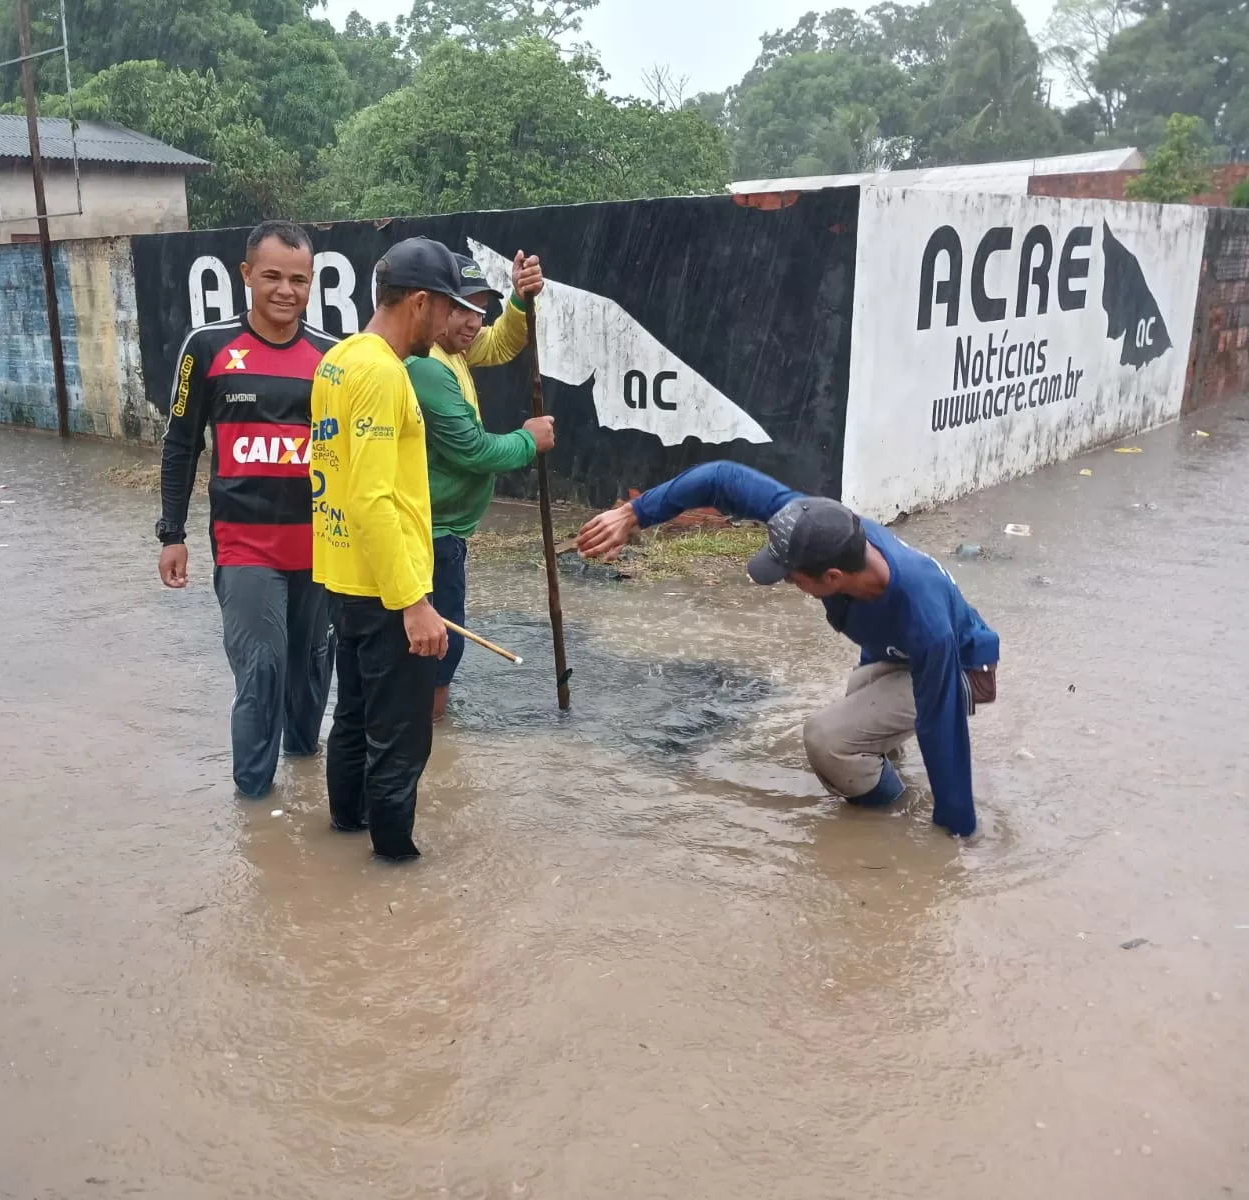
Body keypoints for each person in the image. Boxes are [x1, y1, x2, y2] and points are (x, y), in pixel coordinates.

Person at [576, 462, 1000, 837]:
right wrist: (634, 513)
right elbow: (722, 478)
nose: (785, 581)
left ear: (832, 578)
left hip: (960, 670)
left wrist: (951, 838)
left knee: (828, 739)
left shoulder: (924, 618)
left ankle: (891, 813)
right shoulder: (819, 527)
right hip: (896, 655)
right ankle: (886, 772)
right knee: (859, 702)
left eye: (792, 576)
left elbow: (942, 728)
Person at [155, 220, 341, 799]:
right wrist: (172, 533)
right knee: (261, 671)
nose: (286, 290)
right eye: (272, 277)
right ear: (246, 275)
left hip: (321, 549)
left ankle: (304, 778)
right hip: (245, 547)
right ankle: (255, 807)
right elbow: (180, 444)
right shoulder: (207, 349)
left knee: (312, 670)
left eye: (299, 280)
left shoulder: (333, 358)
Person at [309, 236, 476, 860]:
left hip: (345, 579)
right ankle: (394, 862)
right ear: (421, 302)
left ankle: (346, 829)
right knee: (401, 740)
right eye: (449, 308)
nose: (452, 323)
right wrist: (414, 602)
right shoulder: (383, 373)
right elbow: (371, 498)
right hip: (387, 589)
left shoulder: (338, 360)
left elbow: (331, 473)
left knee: (353, 718)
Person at [407, 251, 555, 721]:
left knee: (433, 646)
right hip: (433, 534)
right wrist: (528, 441)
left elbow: (502, 341)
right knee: (437, 649)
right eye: (462, 309)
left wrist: (520, 299)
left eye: (480, 310)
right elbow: (472, 450)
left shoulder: (451, 348)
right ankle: (430, 733)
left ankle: (427, 731)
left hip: (442, 530)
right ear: (435, 308)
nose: (474, 322)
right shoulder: (428, 365)